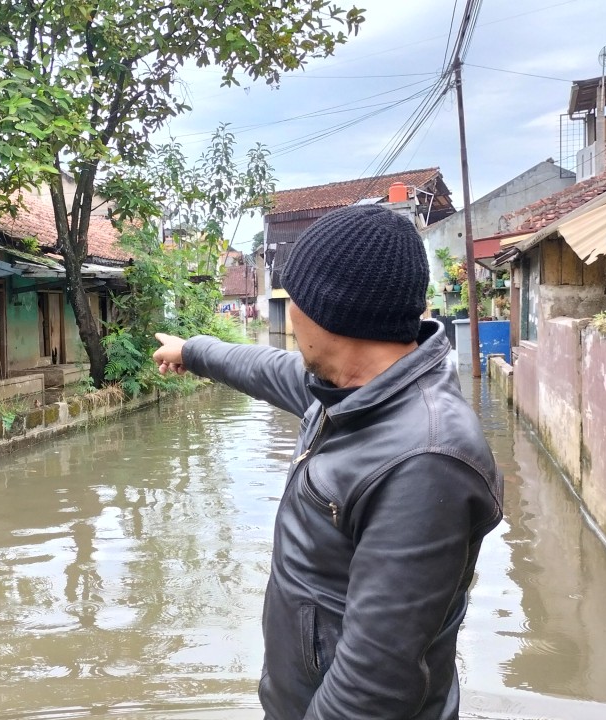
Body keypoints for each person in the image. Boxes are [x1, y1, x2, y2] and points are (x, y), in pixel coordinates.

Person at [152, 205, 502, 720]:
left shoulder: (425, 460)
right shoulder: (348, 391)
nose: (289, 314)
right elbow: (265, 367)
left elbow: (374, 685)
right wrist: (195, 350)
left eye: (294, 299)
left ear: (329, 315)